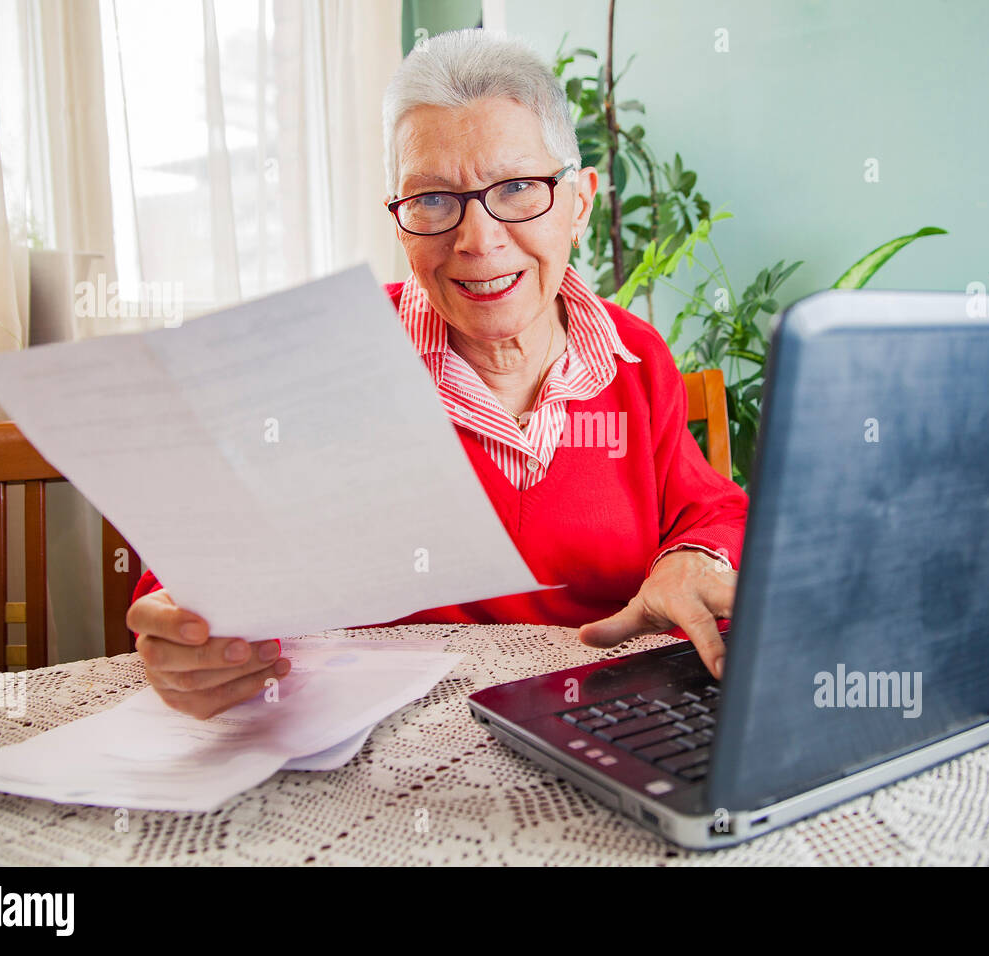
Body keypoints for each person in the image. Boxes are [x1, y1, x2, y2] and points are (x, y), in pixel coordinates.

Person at [126, 29, 748, 719]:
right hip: (386, 751)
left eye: (517, 188)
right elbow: (205, 567)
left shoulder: (635, 356)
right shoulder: (329, 357)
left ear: (579, 202)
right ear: (399, 221)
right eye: (431, 200)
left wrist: (699, 557)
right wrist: (192, 637)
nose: (477, 240)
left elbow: (709, 508)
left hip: (598, 731)